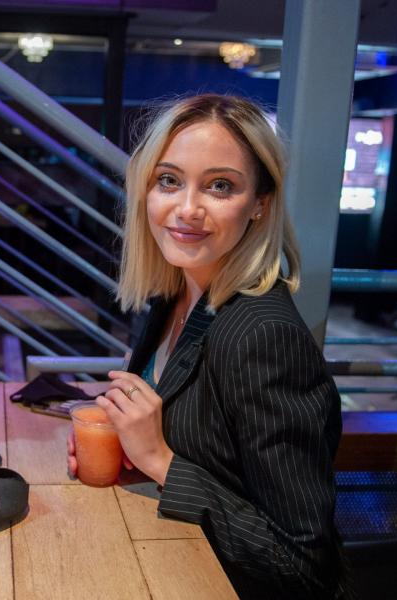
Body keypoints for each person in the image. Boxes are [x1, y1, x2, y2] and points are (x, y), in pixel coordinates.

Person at [68, 94, 351, 598]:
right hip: (172, 559)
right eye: (169, 181)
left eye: (221, 186)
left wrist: (156, 458)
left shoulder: (262, 336)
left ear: (260, 203)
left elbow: (304, 564)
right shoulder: (178, 291)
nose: (188, 209)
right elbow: (211, 453)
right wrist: (126, 443)